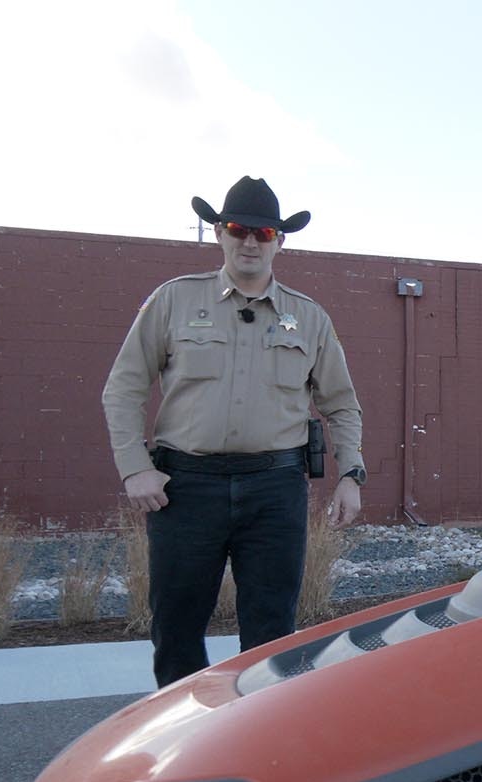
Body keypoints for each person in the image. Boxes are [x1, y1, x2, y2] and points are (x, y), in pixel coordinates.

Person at [101, 176, 367, 688]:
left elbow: (341, 404)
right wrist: (135, 468)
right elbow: (123, 388)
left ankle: (261, 744)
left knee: (272, 634)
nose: (250, 242)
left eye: (264, 233)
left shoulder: (308, 317)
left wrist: (351, 473)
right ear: (219, 232)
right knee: (176, 626)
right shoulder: (174, 301)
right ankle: (185, 744)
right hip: (185, 490)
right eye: (239, 229)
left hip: (275, 490)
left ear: (279, 241)